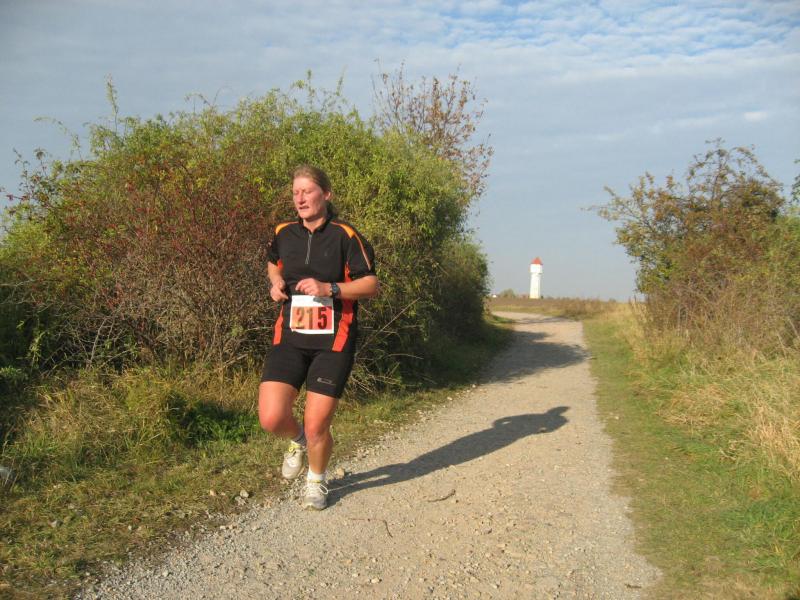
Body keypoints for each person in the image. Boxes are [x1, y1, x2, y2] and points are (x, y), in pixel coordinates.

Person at [258, 165, 379, 510]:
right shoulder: (283, 232)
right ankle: (297, 440)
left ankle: (316, 479)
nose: (300, 198)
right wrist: (275, 282)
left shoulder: (345, 235)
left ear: (326, 195)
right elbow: (273, 263)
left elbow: (371, 284)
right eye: (295, 192)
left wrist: (330, 288)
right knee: (271, 417)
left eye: (307, 191)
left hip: (333, 341)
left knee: (316, 425)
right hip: (290, 335)